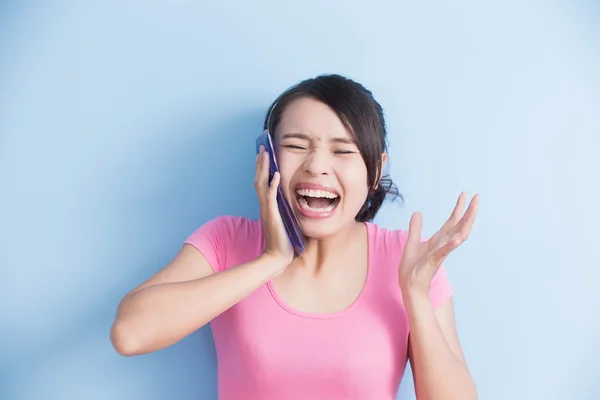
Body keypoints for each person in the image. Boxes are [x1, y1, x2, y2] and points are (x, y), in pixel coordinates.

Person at [110, 74, 480, 399]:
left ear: (376, 167)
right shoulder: (225, 241)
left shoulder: (409, 260)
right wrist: (271, 259)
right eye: (295, 146)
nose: (316, 165)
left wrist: (415, 298)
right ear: (267, 157)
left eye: (342, 150)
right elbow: (130, 334)